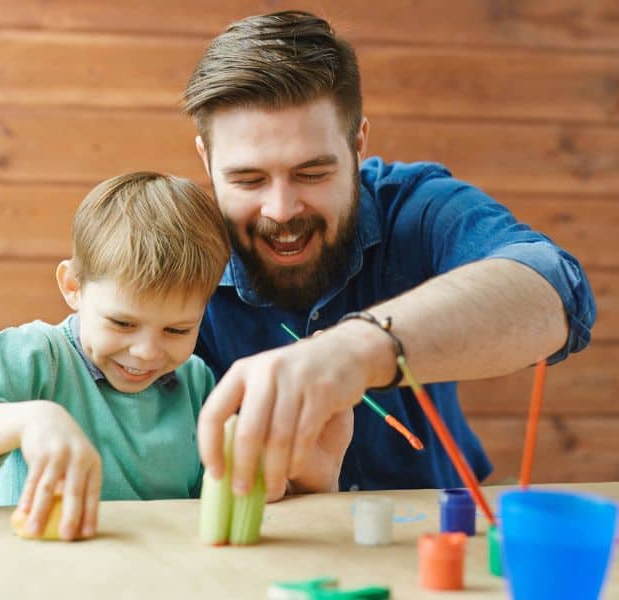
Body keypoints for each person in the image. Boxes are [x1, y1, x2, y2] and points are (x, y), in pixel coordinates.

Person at [183, 11, 596, 500]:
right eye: (248, 180)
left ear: (358, 144)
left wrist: (357, 350)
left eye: (312, 173)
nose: (281, 209)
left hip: (433, 537)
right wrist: (61, 420)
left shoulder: (417, 207)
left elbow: (556, 291)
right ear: (207, 161)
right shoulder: (179, 245)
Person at [0, 172, 240, 541]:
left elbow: (210, 505)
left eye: (177, 330)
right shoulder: (35, 357)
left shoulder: (195, 380)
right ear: (73, 287)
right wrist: (27, 419)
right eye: (123, 323)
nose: (147, 352)